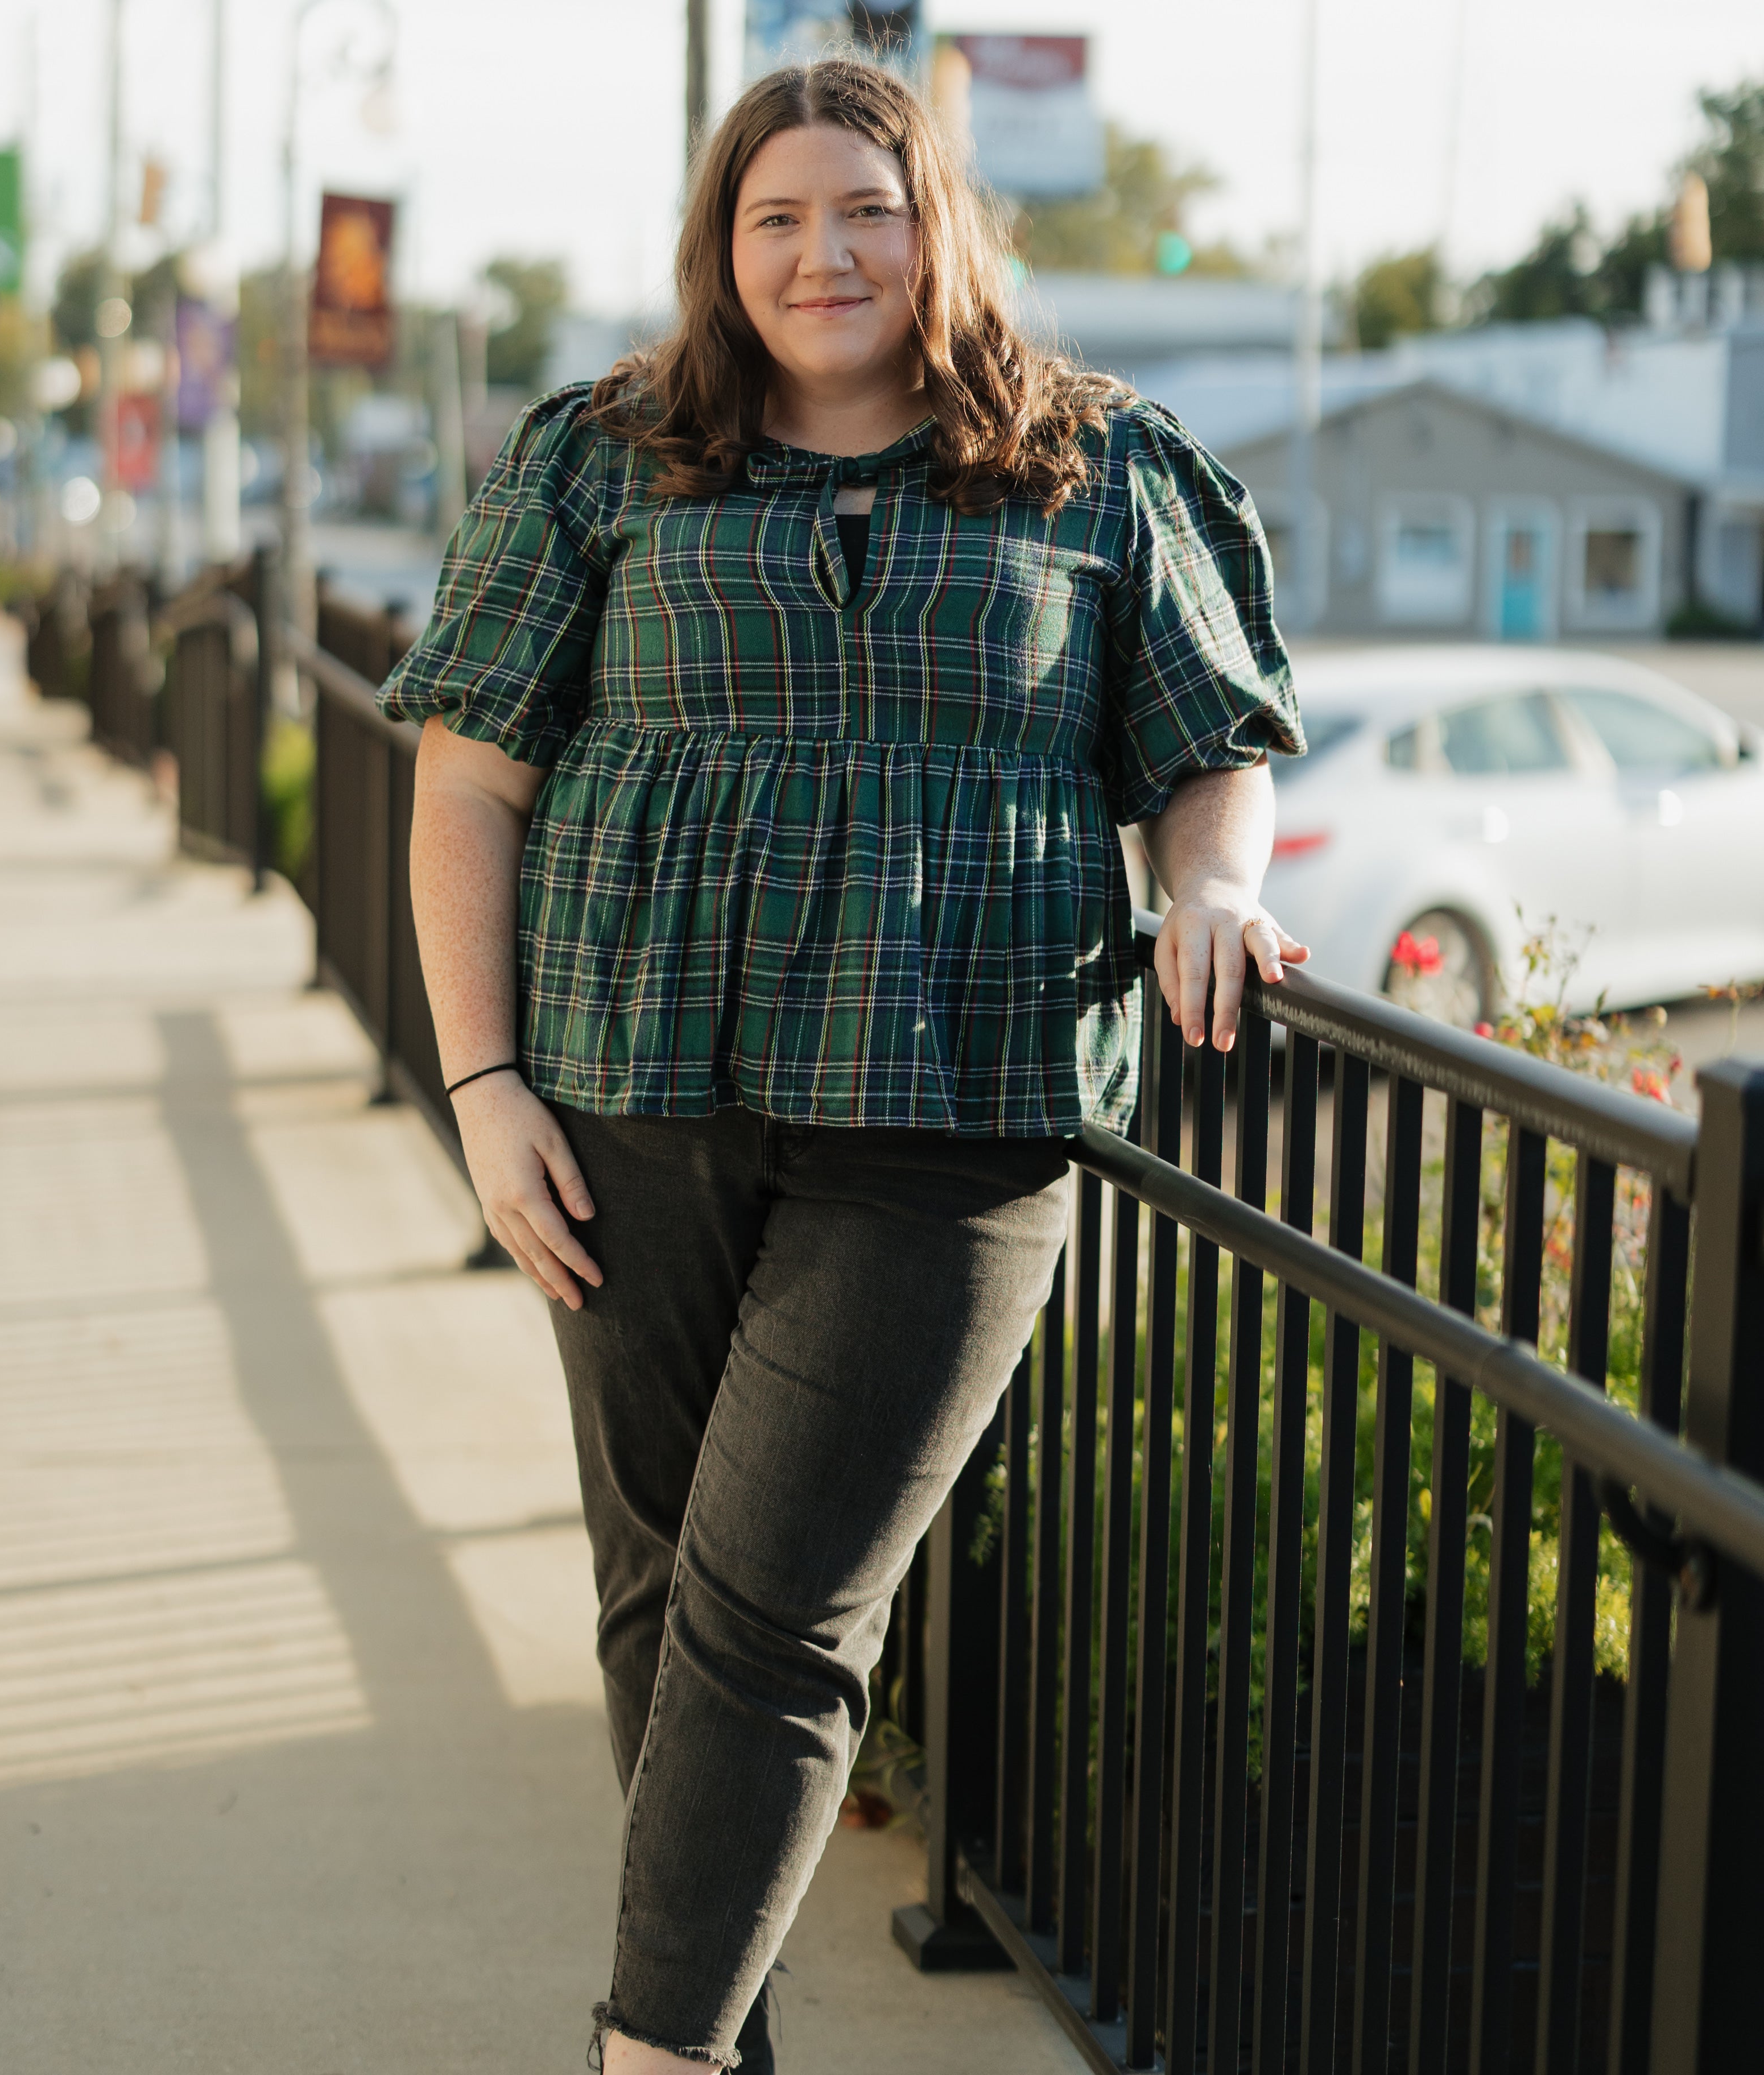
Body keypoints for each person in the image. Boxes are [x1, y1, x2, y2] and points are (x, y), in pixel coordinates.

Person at [379, 55, 1306, 2074]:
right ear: (727, 246)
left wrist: (1215, 892)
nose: (826, 253)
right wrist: (481, 1085)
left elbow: (1210, 752)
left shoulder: (1099, 467)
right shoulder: (603, 457)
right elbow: (468, 781)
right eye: (778, 217)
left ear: (938, 225)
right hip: (627, 1096)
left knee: (781, 1611)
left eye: (866, 211)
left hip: (954, 1120)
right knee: (666, 1605)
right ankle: (722, 2039)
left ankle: (651, 2057)